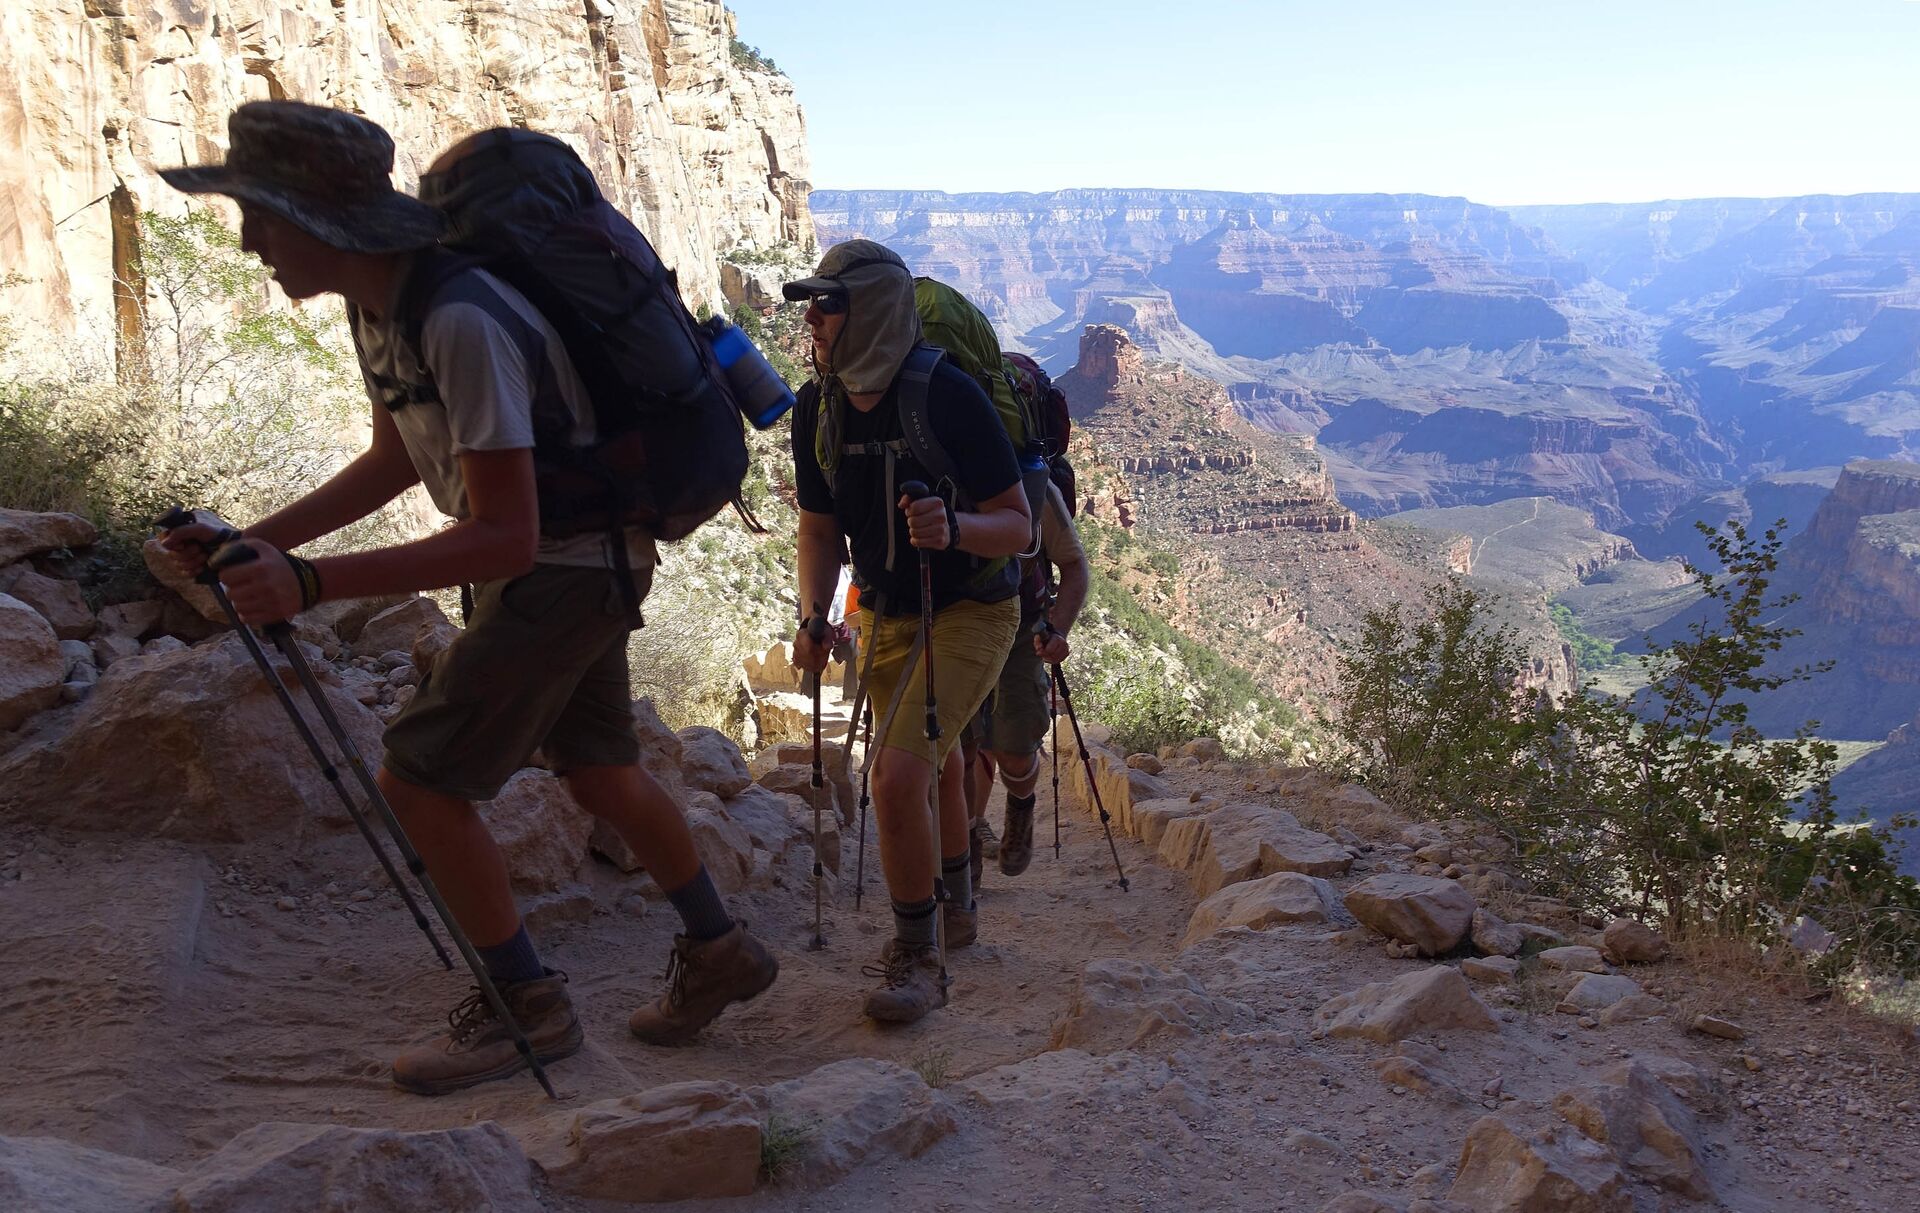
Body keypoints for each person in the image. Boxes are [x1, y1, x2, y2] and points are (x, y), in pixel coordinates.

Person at [156, 101, 777, 1095]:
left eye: (261, 216)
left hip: (565, 572)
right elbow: (397, 459)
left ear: (319, 220)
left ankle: (527, 1011)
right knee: (601, 768)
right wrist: (258, 540)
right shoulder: (383, 308)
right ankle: (721, 949)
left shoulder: (460, 318)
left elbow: (508, 532)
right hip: (576, 565)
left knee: (420, 782)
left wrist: (309, 582)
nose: (249, 239)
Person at [784, 240, 1032, 1023]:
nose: (814, 319)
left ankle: (917, 958)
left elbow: (1019, 527)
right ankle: (955, 908)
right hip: (886, 611)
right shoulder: (815, 409)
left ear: (875, 312)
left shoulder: (947, 396)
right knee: (935, 764)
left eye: (829, 303)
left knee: (894, 777)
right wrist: (814, 615)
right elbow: (819, 531)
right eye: (812, 304)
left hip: (974, 609)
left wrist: (953, 526)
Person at [962, 477, 1089, 881]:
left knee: (1015, 747)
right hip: (949, 626)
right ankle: (963, 849)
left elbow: (1074, 565)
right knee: (958, 748)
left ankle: (1020, 806)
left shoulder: (1034, 485)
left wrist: (1059, 629)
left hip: (1021, 632)